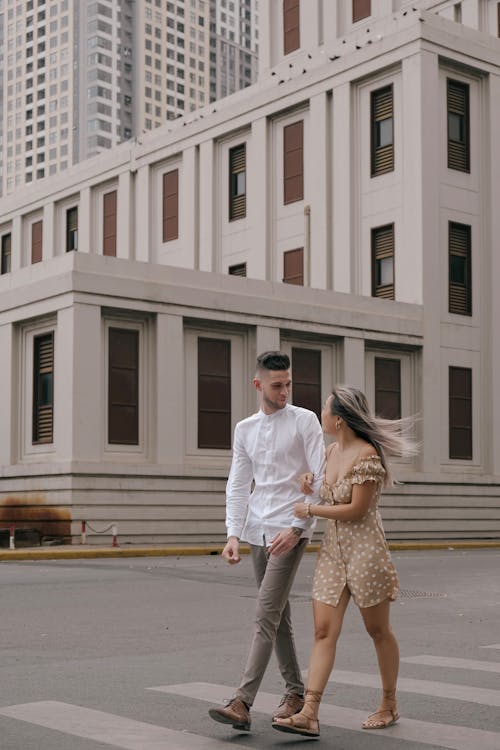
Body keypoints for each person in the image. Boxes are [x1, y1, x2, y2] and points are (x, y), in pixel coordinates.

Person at [273, 385, 418, 739]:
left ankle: (389, 703)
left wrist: (310, 508)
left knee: (378, 630)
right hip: (333, 554)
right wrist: (308, 481)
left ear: (338, 419)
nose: (321, 415)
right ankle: (309, 712)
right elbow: (320, 484)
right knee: (323, 631)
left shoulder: (367, 455)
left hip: (366, 552)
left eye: (325, 410)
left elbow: (356, 509)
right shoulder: (329, 452)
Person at [208, 351, 326, 733]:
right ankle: (295, 692)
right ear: (258, 385)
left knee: (264, 614)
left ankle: (242, 701)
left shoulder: (305, 421)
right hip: (258, 528)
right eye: (277, 385)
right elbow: (239, 483)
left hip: (290, 529)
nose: (285, 391)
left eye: (288, 383)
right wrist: (232, 533)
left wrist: (296, 527)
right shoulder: (245, 429)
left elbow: (320, 476)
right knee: (277, 617)